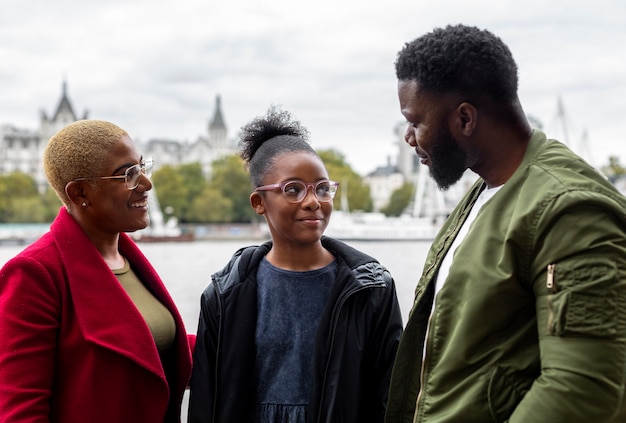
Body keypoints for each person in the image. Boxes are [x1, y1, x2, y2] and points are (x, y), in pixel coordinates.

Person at [384, 24, 626, 423]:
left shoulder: (571, 210)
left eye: (415, 122)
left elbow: (584, 389)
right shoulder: (483, 191)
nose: (410, 138)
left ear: (465, 118)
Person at [188, 106, 403, 423]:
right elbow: (207, 400)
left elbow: (390, 396)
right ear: (259, 202)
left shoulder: (372, 289)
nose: (313, 200)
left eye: (322, 187)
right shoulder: (223, 295)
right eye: (293, 189)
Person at [0, 119, 193, 422]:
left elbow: (152, 344)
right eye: (128, 174)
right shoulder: (34, 273)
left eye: (142, 167)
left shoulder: (125, 258)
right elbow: (21, 410)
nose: (146, 183)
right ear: (79, 193)